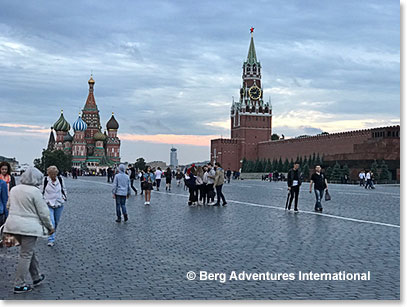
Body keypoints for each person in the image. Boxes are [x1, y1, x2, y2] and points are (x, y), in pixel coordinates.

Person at [3, 167, 54, 294]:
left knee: (28, 251)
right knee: (25, 254)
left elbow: (8, 206)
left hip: (12, 226)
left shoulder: (15, 189)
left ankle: (36, 277)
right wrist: (50, 227)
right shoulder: (35, 192)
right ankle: (19, 284)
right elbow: (43, 213)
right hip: (28, 228)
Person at [42, 166, 67, 247]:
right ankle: (51, 239)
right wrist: (43, 200)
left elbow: (63, 188)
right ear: (48, 174)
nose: (53, 175)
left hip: (59, 203)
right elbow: (41, 190)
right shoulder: (45, 180)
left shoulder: (60, 179)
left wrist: (64, 197)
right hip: (48, 203)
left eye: (55, 174)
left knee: (56, 221)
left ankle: (52, 232)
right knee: (51, 221)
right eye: (52, 174)